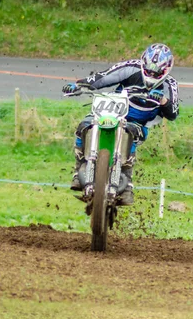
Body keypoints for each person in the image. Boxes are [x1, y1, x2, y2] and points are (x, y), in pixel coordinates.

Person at [62, 43, 179, 206]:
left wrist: (163, 101)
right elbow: (103, 77)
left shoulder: (169, 85)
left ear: (166, 70)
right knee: (84, 125)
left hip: (138, 123)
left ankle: (126, 186)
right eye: (148, 70)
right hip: (111, 109)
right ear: (143, 62)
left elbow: (173, 113)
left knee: (130, 132)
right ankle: (79, 168)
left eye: (156, 72)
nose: (151, 74)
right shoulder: (131, 68)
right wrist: (79, 85)